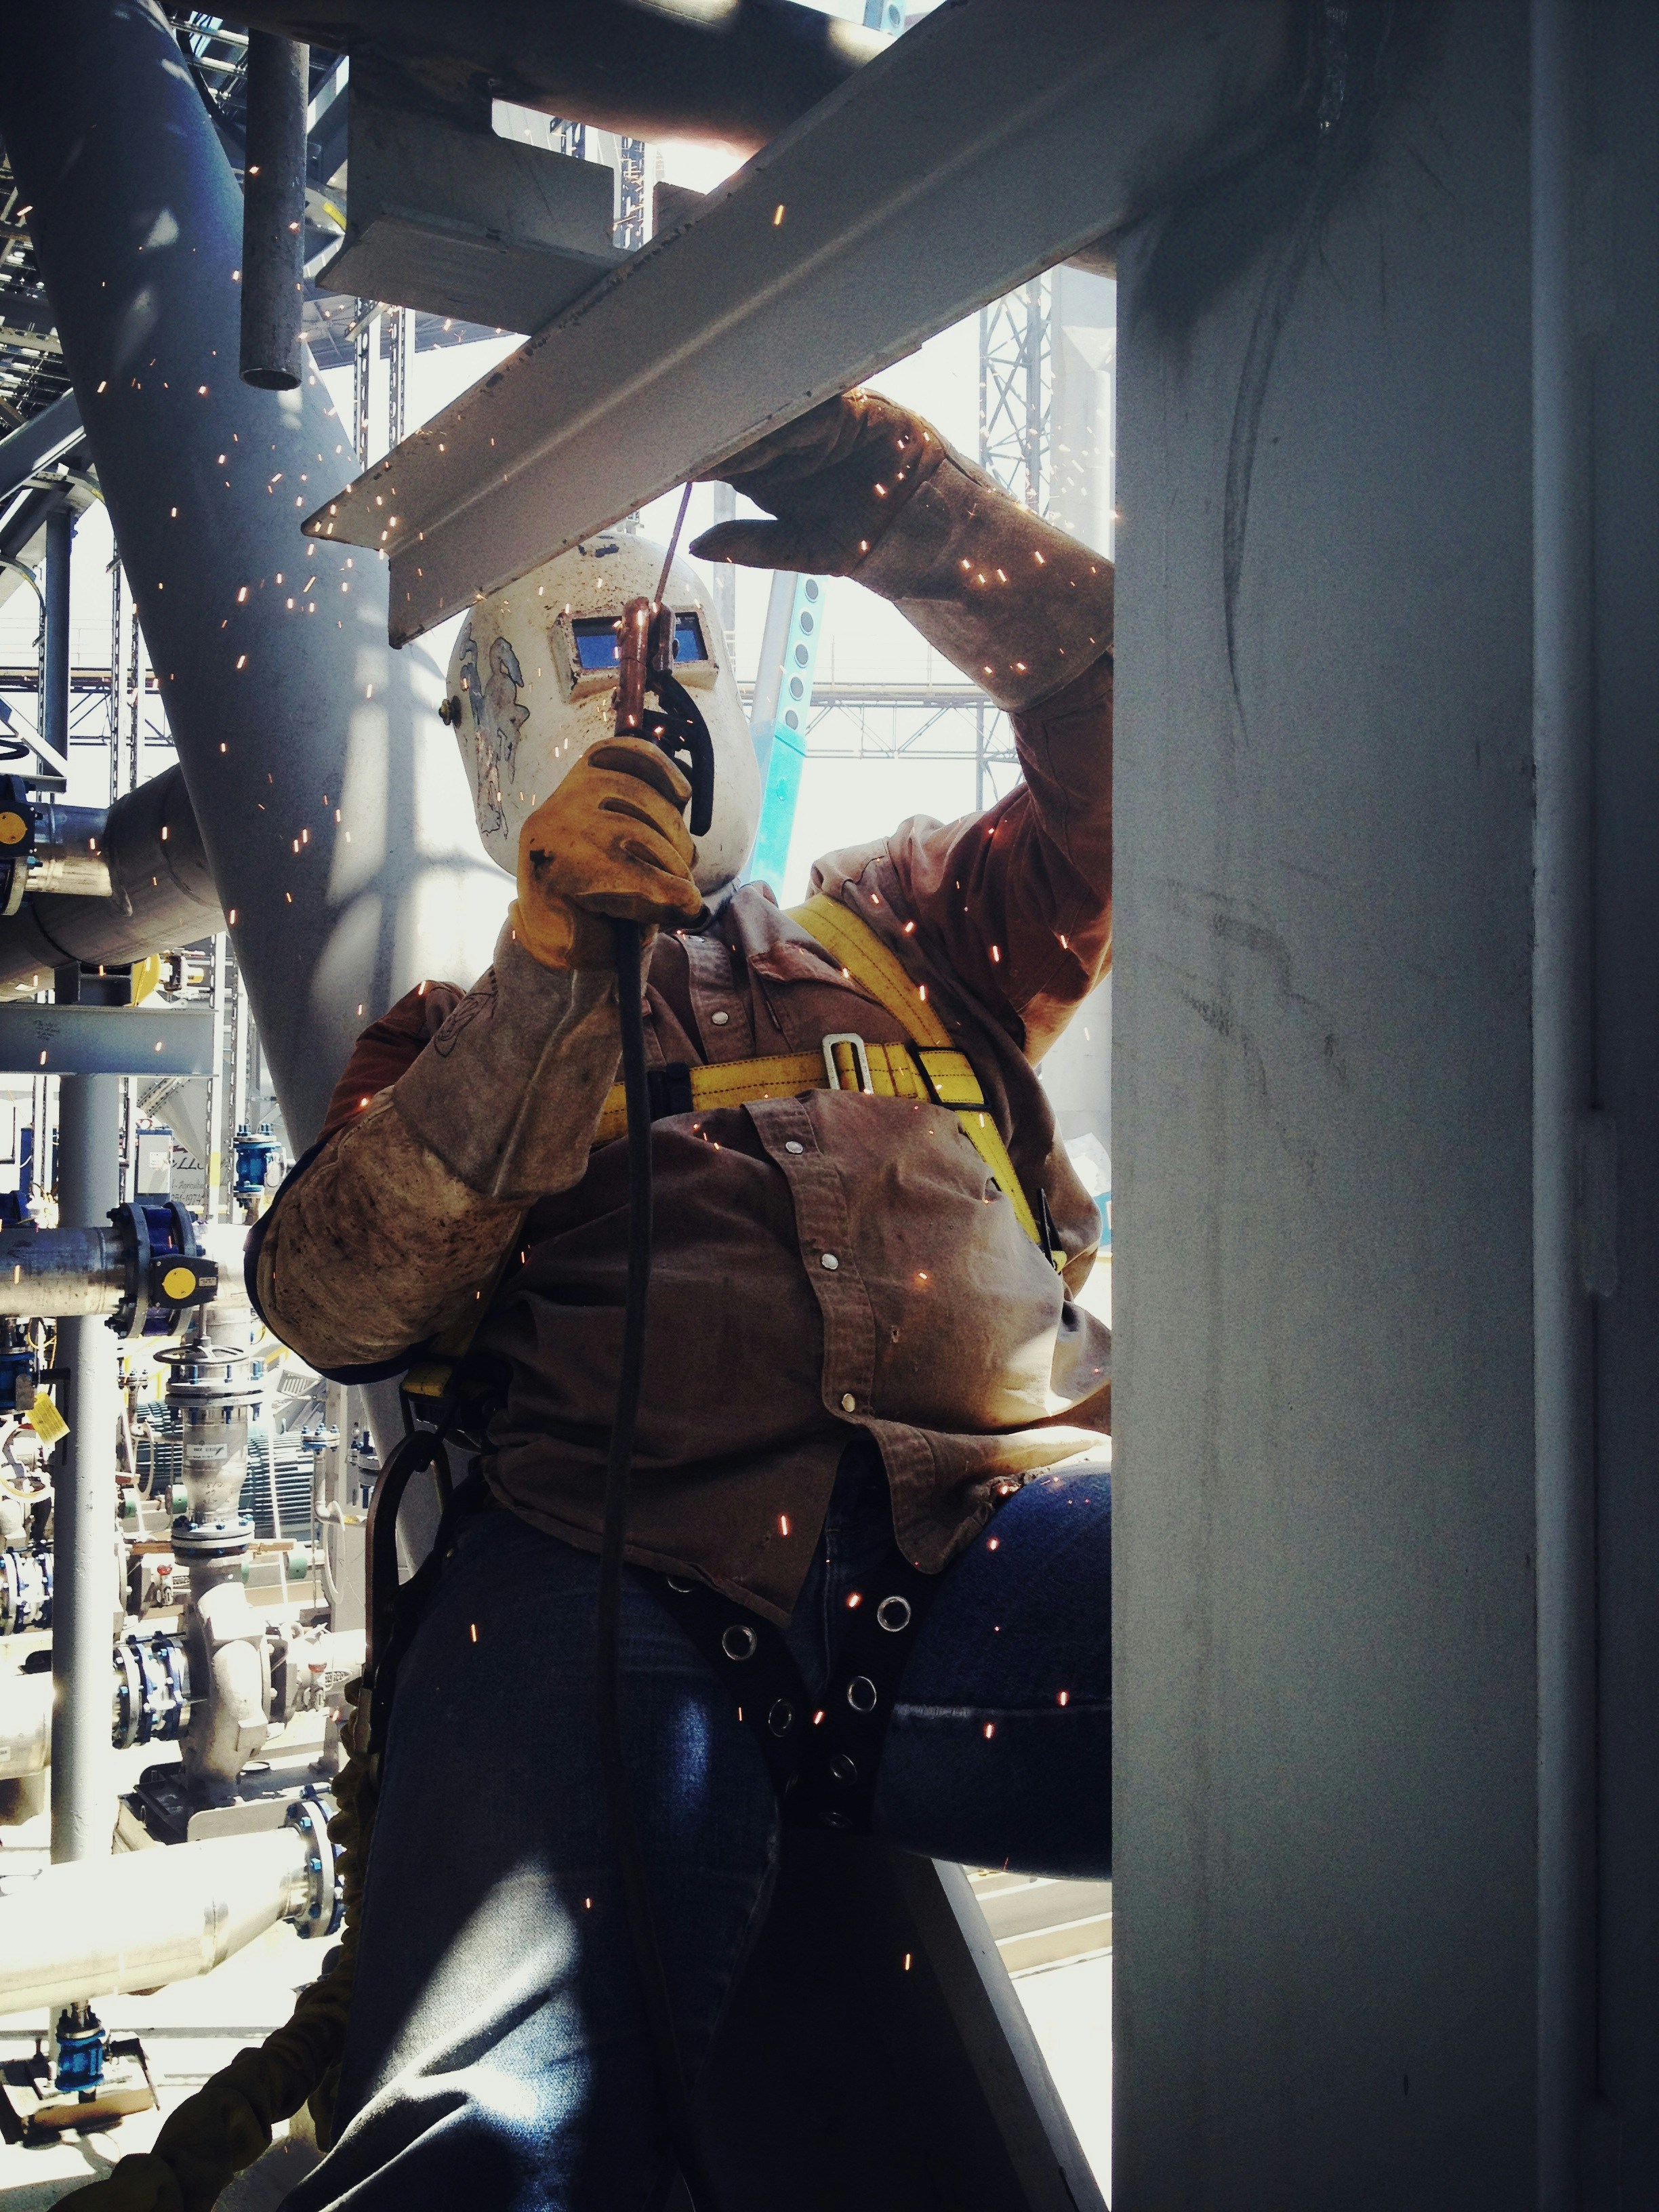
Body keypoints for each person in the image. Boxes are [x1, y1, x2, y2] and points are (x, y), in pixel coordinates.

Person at [257, 389, 1115, 2209]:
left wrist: (914, 516)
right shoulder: (448, 1036)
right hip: (600, 1584)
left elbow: (1149, 744)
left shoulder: (914, 934)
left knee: (1398, 1708)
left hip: (989, 1542)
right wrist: (547, 974)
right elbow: (337, 1295)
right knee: (487, 2137)